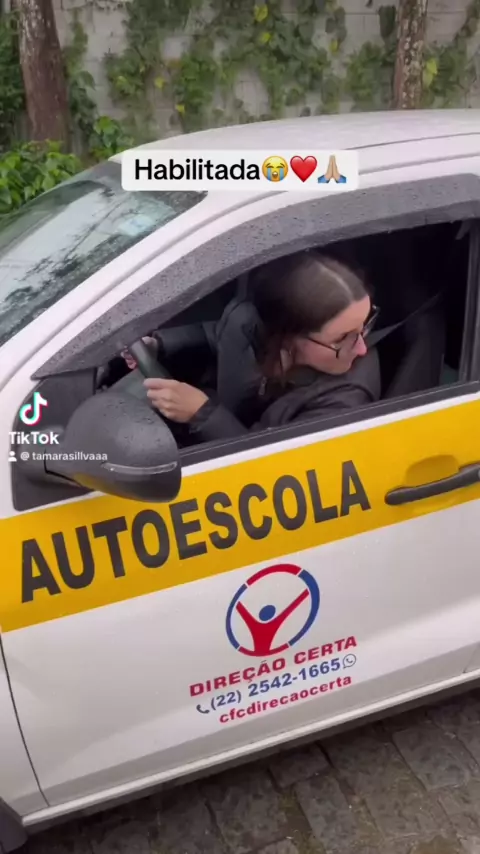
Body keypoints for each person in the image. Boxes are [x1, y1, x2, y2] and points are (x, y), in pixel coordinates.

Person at [125, 250, 381, 442]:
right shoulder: (249, 323)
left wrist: (202, 414)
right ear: (287, 336)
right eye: (342, 338)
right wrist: (161, 344)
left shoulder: (342, 401)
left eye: (365, 325)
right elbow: (222, 334)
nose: (362, 348)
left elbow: (277, 466)